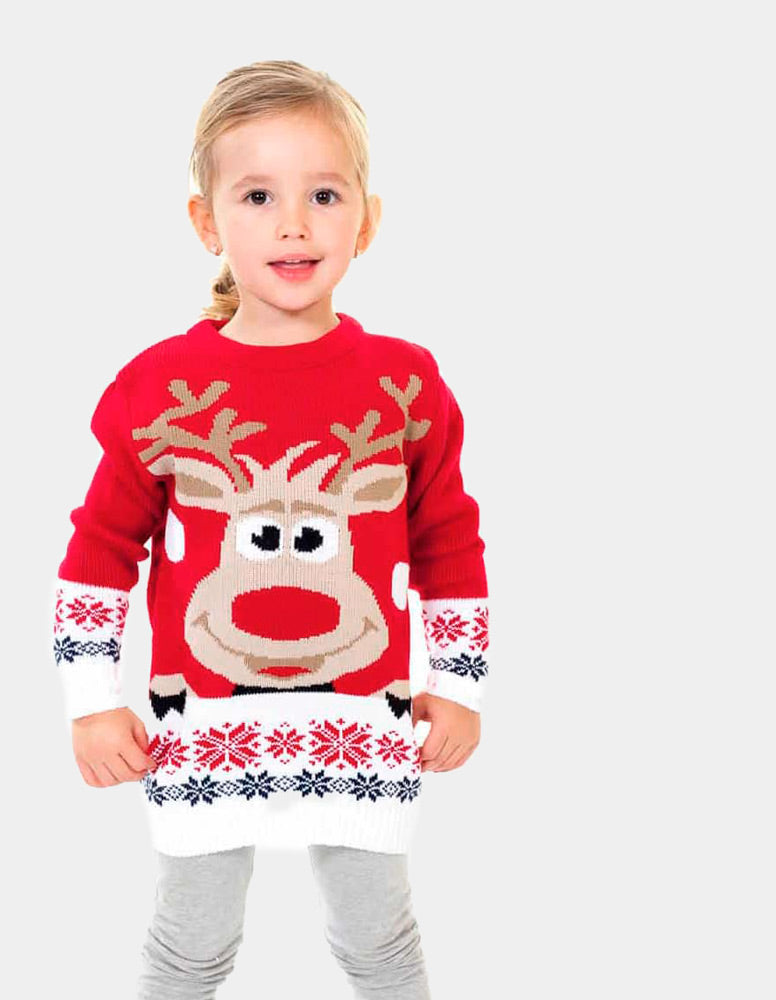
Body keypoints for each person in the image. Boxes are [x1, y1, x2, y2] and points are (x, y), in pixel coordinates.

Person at [51, 59, 491, 1000]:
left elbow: (447, 542)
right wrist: (90, 701)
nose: (294, 223)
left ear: (366, 220)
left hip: (359, 726)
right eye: (258, 196)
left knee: (379, 941)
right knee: (192, 945)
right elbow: (100, 551)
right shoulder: (158, 387)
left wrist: (457, 685)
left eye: (323, 195)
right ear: (206, 221)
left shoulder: (406, 384)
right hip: (203, 728)